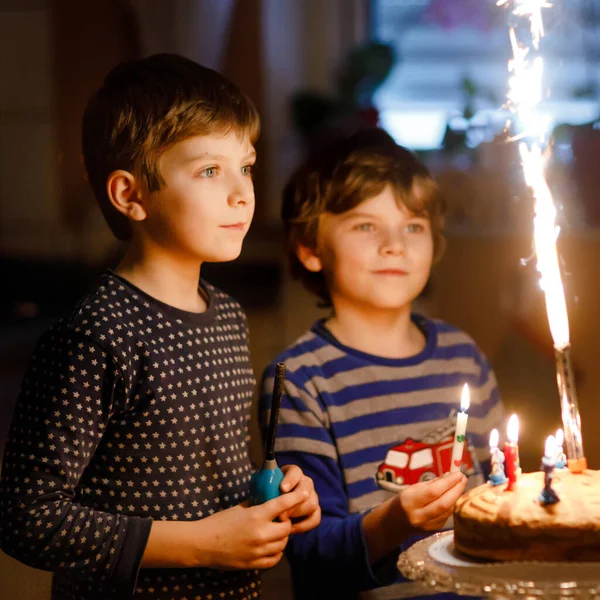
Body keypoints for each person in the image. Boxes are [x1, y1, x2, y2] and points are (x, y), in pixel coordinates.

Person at [0, 54, 320, 600]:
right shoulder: (96, 334)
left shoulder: (227, 316)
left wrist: (277, 492)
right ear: (130, 195)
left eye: (244, 165)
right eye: (209, 171)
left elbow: (210, 472)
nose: (242, 192)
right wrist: (202, 544)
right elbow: (27, 516)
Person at [260, 128, 505, 599]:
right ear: (310, 248)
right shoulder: (302, 380)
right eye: (365, 226)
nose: (395, 244)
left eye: (413, 226)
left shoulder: (464, 357)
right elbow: (310, 554)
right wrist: (390, 524)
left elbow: (502, 488)